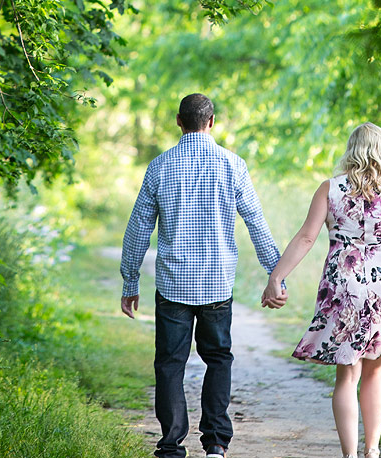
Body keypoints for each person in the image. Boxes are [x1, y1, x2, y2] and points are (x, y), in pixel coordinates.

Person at [120, 93, 287, 458]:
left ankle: (170, 446)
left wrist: (129, 281)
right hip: (216, 283)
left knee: (169, 364)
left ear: (178, 122)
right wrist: (277, 275)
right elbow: (257, 223)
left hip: (173, 285)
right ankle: (215, 443)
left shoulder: (159, 166)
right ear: (212, 122)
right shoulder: (233, 165)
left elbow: (137, 230)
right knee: (218, 358)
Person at [261, 122, 381, 459]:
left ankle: (350, 455)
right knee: (375, 371)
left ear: (351, 150)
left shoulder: (331, 188)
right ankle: (372, 450)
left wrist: (276, 278)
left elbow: (306, 238)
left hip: (344, 285)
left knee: (347, 375)